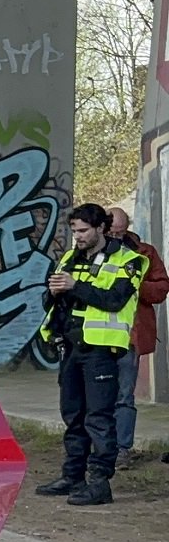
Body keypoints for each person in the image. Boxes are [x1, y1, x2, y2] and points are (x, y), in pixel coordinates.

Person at [36, 203, 146, 505]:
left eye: (83, 230)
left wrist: (75, 285)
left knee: (99, 417)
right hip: (70, 346)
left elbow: (114, 300)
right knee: (73, 415)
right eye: (74, 231)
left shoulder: (129, 260)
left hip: (101, 350)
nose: (78, 237)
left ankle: (99, 483)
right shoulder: (71, 258)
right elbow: (51, 300)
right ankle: (72, 476)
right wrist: (54, 292)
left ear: (101, 228)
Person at [107, 207, 169, 468]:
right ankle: (99, 447)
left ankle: (122, 449)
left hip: (129, 336)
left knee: (124, 396)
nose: (117, 236)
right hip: (94, 336)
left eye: (121, 231)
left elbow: (161, 288)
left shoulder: (145, 253)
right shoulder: (90, 252)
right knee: (95, 395)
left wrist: (135, 285)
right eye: (112, 232)